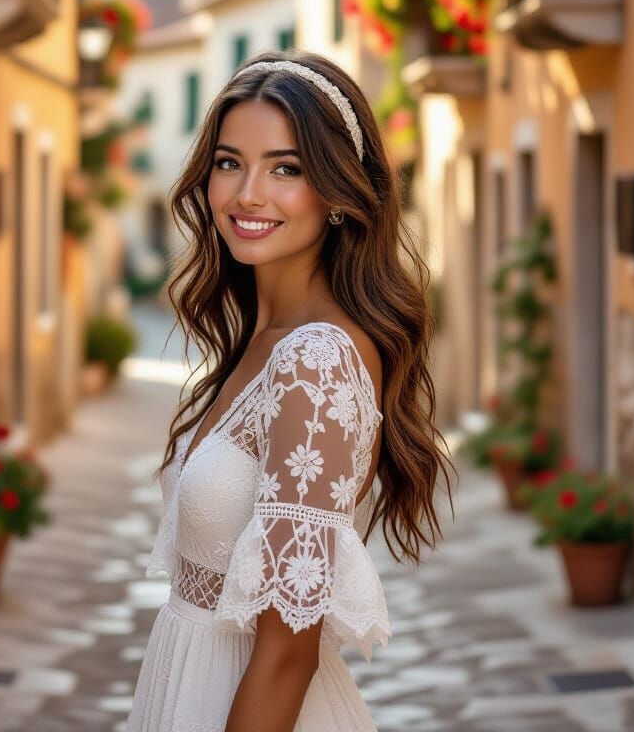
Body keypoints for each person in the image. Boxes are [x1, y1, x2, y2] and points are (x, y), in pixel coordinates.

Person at [126, 50, 456, 731]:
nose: (248, 194)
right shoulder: (268, 338)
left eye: (287, 169)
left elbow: (286, 654)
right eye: (228, 162)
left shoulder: (317, 359)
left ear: (338, 193)